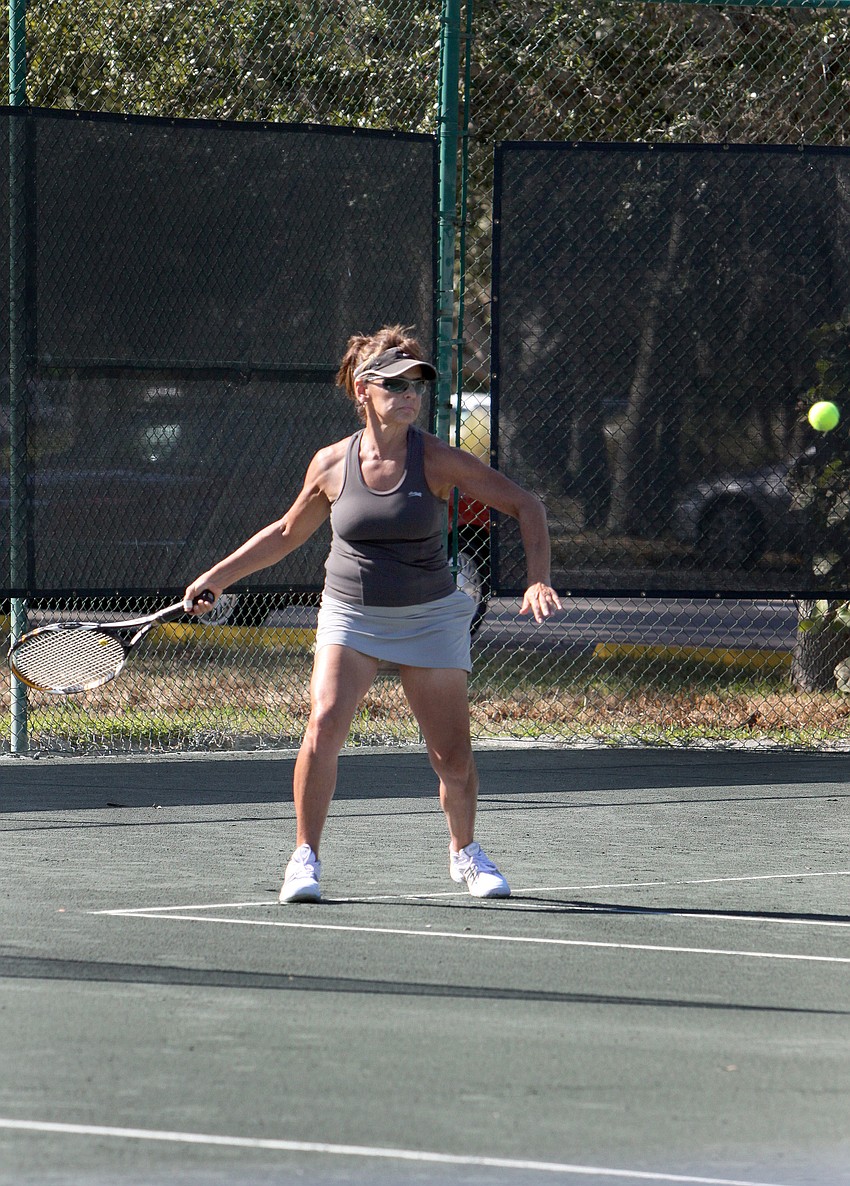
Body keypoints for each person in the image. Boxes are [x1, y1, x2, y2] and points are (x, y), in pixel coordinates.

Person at [183, 325, 562, 903]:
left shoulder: (437, 458)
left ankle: (465, 853)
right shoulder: (332, 463)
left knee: (451, 758)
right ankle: (304, 857)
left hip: (430, 617)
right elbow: (286, 533)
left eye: (416, 384)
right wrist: (216, 577)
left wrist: (538, 579)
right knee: (325, 722)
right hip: (350, 615)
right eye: (395, 384)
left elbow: (525, 505)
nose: (409, 394)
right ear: (364, 390)